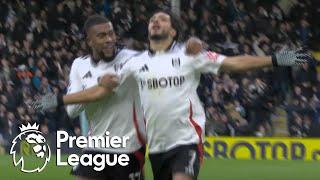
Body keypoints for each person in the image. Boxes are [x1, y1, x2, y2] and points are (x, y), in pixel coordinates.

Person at [32, 10, 313, 180]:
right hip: (155, 147)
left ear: (173, 30)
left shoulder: (189, 55)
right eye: (153, 19)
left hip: (182, 141)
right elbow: (100, 91)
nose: (156, 21)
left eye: (163, 20)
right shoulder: (134, 63)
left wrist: (276, 59)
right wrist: (60, 99)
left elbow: (234, 62)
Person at [45, 15, 146, 180]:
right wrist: (96, 85)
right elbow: (72, 111)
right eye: (102, 35)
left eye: (111, 33)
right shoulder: (79, 65)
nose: (109, 39)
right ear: (89, 41)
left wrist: (54, 100)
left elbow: (104, 91)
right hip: (96, 145)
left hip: (129, 147)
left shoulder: (131, 59)